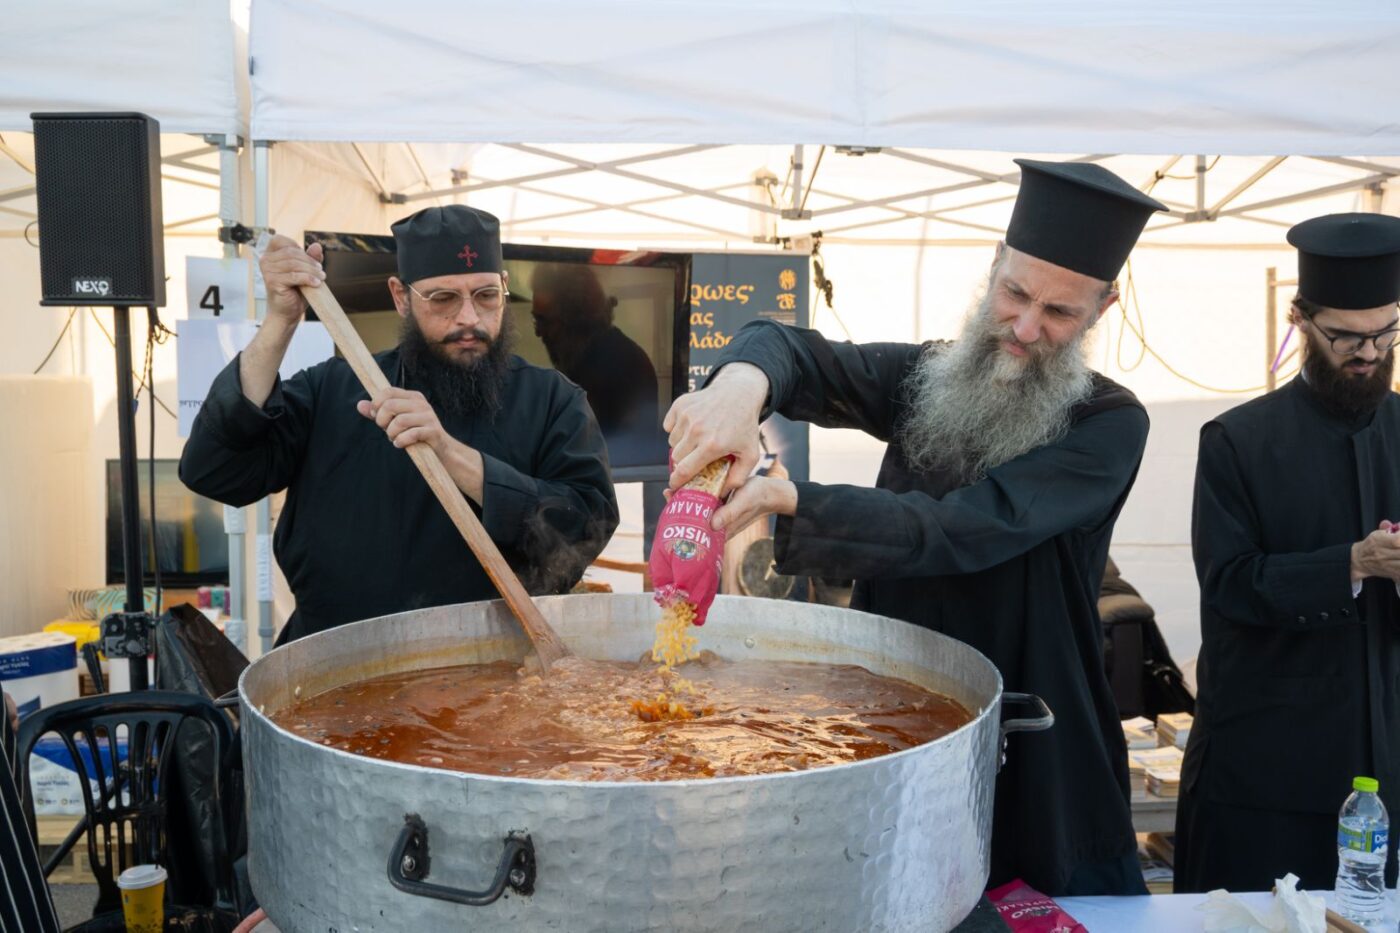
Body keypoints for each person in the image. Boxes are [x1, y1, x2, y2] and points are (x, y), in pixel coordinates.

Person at [664, 159, 1164, 896]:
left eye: (1058, 313)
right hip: (899, 716)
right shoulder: (930, 374)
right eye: (1015, 293)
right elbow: (797, 350)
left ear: (1102, 308)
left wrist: (793, 499)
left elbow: (968, 527)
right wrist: (743, 384)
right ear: (994, 265)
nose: (1024, 329)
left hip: (1036, 739)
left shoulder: (1110, 424)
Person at [181, 206, 619, 643]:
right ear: (400, 296)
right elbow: (214, 469)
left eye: (486, 295)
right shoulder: (336, 387)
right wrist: (281, 320)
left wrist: (448, 453)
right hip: (332, 665)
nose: (469, 318)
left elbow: (585, 528)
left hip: (491, 671)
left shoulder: (552, 400)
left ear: (504, 289)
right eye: (443, 299)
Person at [1176, 212, 1400, 893]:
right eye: (1346, 337)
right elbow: (1230, 584)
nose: (1368, 352)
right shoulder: (1237, 441)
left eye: (1387, 332)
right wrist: (1352, 565)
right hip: (1268, 775)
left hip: (1387, 773)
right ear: (1300, 319)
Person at [529, 263, 660, 459]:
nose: (538, 332)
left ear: (574, 320)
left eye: (544, 320)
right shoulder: (597, 355)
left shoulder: (612, 365)